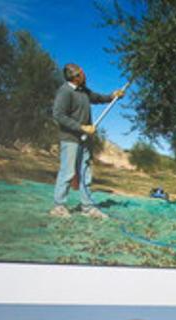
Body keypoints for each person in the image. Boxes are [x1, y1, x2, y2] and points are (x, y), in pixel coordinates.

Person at [50, 64, 124, 218]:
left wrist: (113, 96)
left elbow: (97, 98)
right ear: (75, 77)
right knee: (68, 172)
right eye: (82, 74)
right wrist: (81, 127)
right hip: (70, 139)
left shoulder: (84, 91)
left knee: (85, 173)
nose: (85, 76)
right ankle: (58, 207)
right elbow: (58, 115)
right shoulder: (65, 91)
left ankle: (88, 207)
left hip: (85, 140)